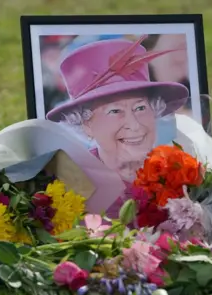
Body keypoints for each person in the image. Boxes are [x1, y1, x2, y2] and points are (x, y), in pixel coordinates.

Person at [46, 36, 189, 216]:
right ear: (86, 125)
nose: (134, 125)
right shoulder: (72, 189)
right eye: (115, 111)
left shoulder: (181, 172)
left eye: (140, 108)